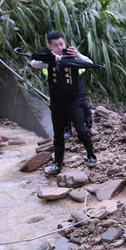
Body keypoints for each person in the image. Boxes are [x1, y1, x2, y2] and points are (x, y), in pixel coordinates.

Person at [30, 30, 97, 175]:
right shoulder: (48, 61)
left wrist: (77, 55)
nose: (59, 48)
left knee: (81, 129)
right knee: (58, 134)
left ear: (65, 43)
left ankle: (91, 155)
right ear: (50, 46)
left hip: (74, 101)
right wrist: (49, 57)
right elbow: (34, 63)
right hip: (57, 103)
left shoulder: (72, 57)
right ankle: (57, 163)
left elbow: (90, 63)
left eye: (61, 44)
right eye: (55, 45)